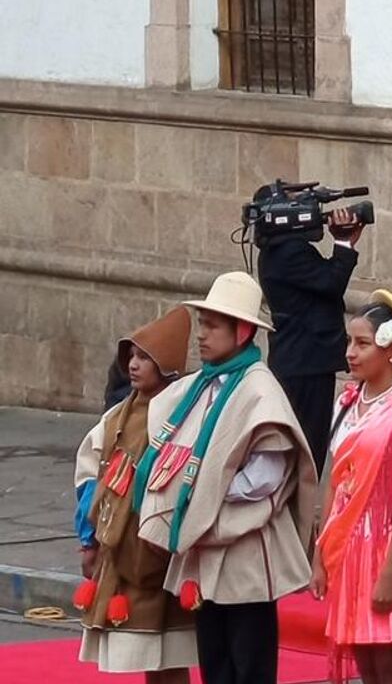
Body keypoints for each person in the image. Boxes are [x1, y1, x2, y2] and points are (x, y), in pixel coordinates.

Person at [134, 272, 321, 684]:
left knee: (248, 664)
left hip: (247, 551)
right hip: (206, 545)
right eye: (202, 323)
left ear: (242, 331)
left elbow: (265, 478)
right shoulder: (202, 385)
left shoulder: (259, 389)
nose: (202, 334)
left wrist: (202, 492)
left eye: (213, 325)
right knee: (215, 663)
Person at [72, 307, 195, 682]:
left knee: (168, 648)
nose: (134, 365)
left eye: (145, 358)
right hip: (121, 545)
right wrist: (88, 539)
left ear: (165, 363)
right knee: (144, 648)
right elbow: (89, 474)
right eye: (132, 357)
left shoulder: (181, 412)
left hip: (157, 548)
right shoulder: (117, 417)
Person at [310, 292, 392, 684]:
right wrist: (321, 553)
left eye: (361, 343)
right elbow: (336, 480)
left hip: (388, 545)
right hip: (348, 547)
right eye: (349, 342)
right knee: (368, 669)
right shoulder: (348, 400)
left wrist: (390, 571)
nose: (350, 353)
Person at [256, 189, 364, 471]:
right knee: (307, 449)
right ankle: (299, 512)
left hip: (299, 360)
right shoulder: (289, 251)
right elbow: (330, 282)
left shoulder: (276, 250)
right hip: (305, 363)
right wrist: (342, 242)